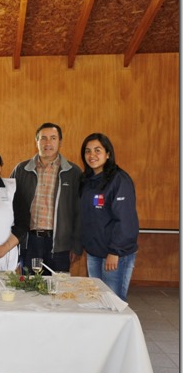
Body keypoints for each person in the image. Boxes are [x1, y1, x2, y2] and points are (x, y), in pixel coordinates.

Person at [10, 122, 83, 274]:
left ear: (60, 142)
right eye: (43, 138)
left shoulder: (73, 172)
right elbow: (9, 206)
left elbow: (79, 212)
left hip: (59, 244)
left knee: (57, 290)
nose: (48, 143)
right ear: (36, 142)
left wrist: (76, 245)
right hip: (29, 241)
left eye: (53, 138)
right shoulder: (21, 170)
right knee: (29, 288)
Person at [79, 133, 138, 301]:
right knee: (96, 300)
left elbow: (125, 220)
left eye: (97, 150)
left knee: (113, 302)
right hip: (94, 252)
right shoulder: (87, 180)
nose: (92, 155)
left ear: (108, 154)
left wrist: (114, 252)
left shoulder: (119, 180)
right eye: (88, 151)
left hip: (114, 254)